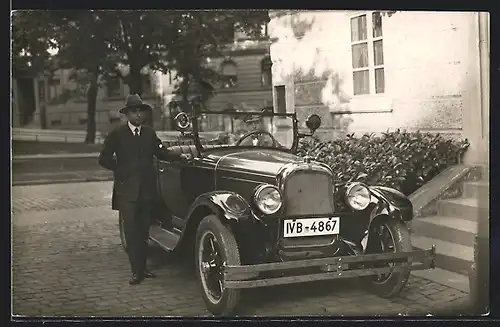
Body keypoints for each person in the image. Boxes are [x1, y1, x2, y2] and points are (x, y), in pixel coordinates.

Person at [99, 94, 191, 285]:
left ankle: (143, 268)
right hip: (127, 192)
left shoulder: (149, 133)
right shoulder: (117, 134)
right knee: (132, 231)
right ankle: (136, 272)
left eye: (140, 111)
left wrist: (179, 157)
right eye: (134, 111)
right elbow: (104, 158)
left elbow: (162, 152)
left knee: (143, 232)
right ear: (126, 114)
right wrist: (120, 168)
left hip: (147, 191)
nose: (138, 115)